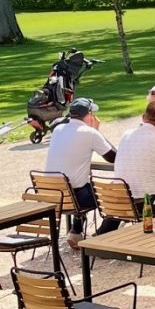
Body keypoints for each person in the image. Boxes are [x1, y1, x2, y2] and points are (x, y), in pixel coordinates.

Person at [43, 99, 116, 243]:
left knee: (83, 183)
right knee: (114, 195)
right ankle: (100, 237)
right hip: (74, 197)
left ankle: (76, 231)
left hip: (51, 194)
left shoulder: (58, 129)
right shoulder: (90, 133)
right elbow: (114, 157)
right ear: (89, 115)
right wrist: (96, 131)